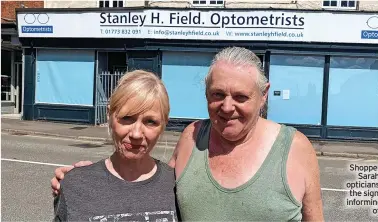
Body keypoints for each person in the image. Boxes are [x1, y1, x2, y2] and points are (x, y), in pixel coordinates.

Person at [52, 47, 324, 221]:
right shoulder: (192, 137)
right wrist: (85, 178)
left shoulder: (295, 148)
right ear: (206, 94)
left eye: (241, 96)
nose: (227, 107)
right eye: (218, 95)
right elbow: (141, 180)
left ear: (263, 95)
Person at [53, 70, 178, 221]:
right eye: (127, 118)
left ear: (164, 125)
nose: (136, 134)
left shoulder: (178, 187)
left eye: (150, 121)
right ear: (109, 115)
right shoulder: (76, 184)